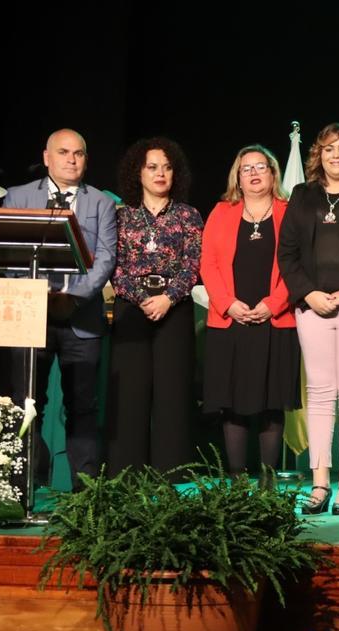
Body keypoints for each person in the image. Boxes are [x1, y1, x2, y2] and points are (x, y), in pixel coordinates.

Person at [1, 128, 117, 491]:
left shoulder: (101, 202)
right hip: (30, 315)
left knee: (82, 407)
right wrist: (41, 295)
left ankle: (85, 495)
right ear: (47, 157)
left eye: (79, 153)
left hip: (80, 318)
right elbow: (7, 255)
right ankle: (25, 489)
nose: (72, 159)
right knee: (27, 405)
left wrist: (74, 297)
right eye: (64, 152)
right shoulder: (17, 198)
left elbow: (106, 259)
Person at [278, 123, 339, 515]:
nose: (336, 155)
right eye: (330, 148)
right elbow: (288, 254)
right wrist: (309, 293)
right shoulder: (302, 195)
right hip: (312, 307)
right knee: (319, 392)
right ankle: (319, 482)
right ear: (318, 154)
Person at [200, 145, 300, 482]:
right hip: (230, 320)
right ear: (237, 178)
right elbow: (208, 264)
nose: (254, 173)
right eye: (247, 169)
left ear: (273, 174)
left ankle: (268, 479)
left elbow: (297, 265)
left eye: (261, 167)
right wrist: (228, 303)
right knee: (232, 401)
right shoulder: (221, 212)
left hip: (275, 319)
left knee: (272, 402)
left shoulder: (290, 212)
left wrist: (273, 304)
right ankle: (237, 477)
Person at [107, 137, 202, 477]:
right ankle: (126, 475)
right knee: (130, 394)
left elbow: (193, 264)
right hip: (132, 310)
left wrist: (168, 298)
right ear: (138, 173)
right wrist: (141, 299)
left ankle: (170, 474)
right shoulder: (122, 217)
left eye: (167, 167)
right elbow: (113, 265)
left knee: (172, 394)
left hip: (174, 310)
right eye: (152, 167)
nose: (160, 173)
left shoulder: (188, 215)